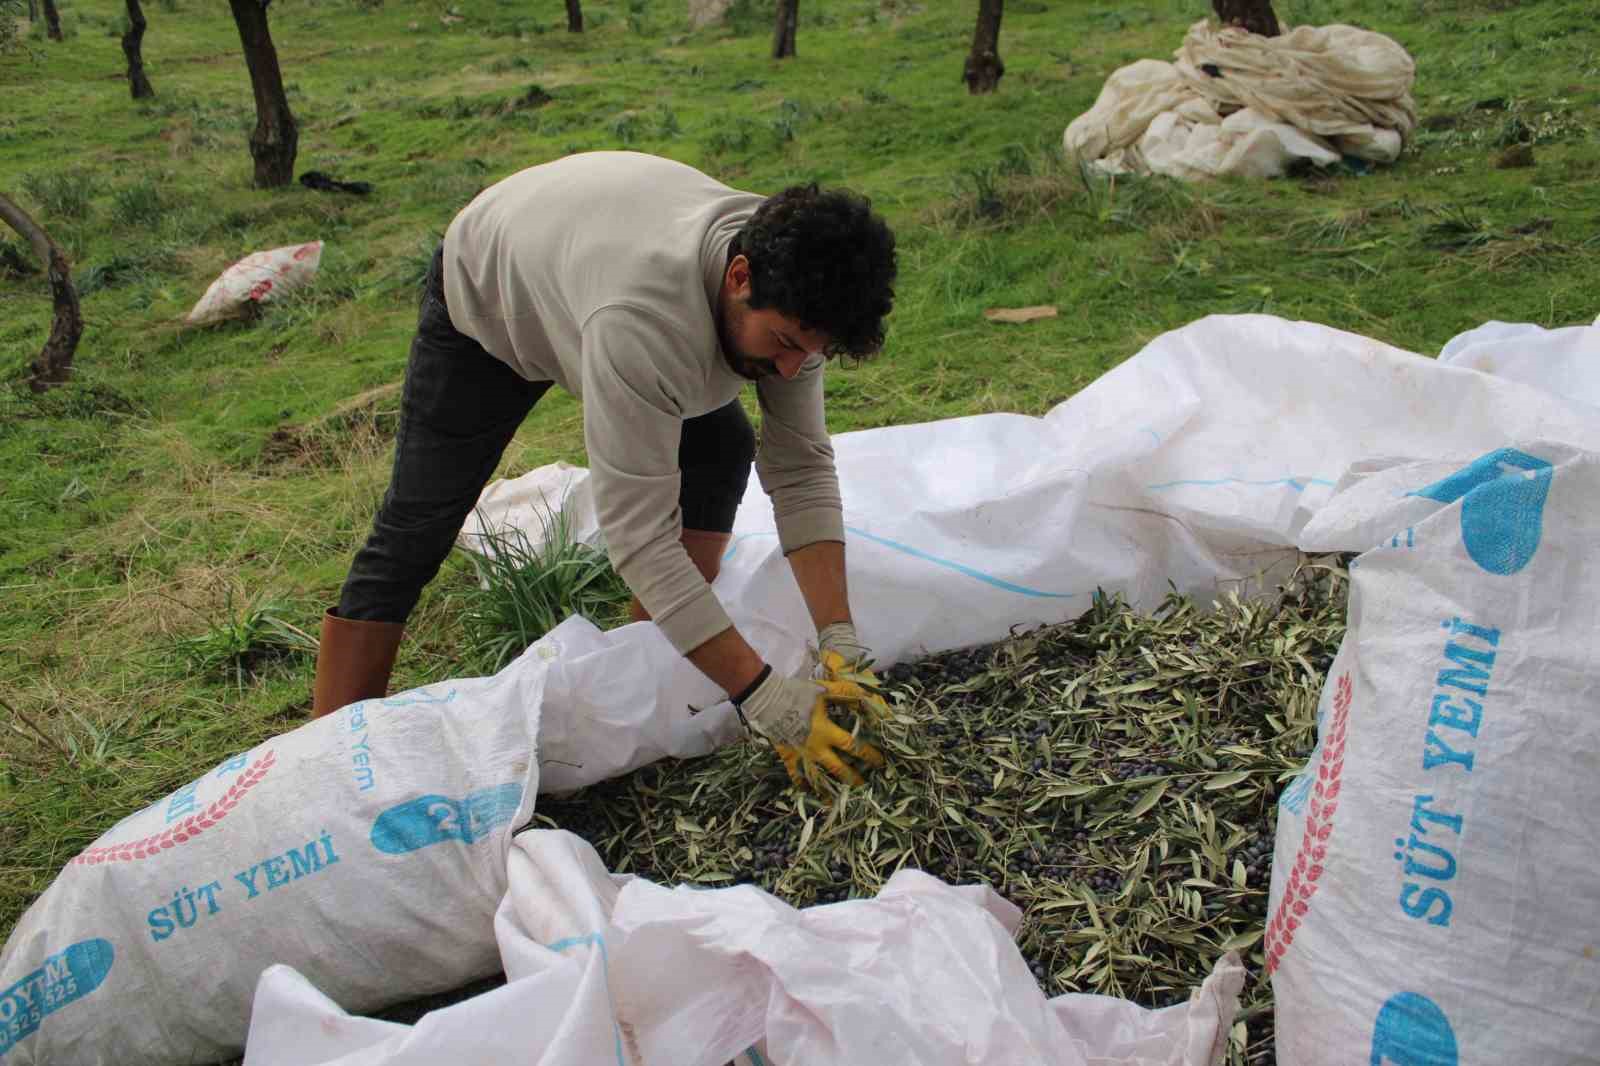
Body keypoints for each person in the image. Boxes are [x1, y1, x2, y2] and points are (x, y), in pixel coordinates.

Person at [311, 151, 898, 788]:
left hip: (590, 261)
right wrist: (762, 696)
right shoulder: (643, 319)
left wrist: (841, 638)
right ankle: (332, 762)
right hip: (493, 291)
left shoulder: (798, 285)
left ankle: (653, 659)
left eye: (810, 354)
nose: (791, 369)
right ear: (738, 277)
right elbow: (640, 541)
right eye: (784, 344)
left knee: (720, 450)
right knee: (419, 523)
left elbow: (802, 467)